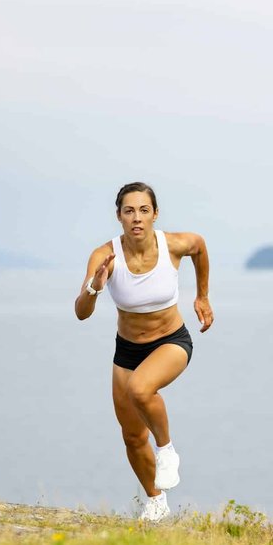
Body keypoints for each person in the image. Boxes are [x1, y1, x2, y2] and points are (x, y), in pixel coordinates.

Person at [74, 182, 214, 522]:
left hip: (171, 341)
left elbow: (200, 247)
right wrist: (95, 284)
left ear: (155, 214)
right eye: (129, 211)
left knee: (141, 388)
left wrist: (202, 296)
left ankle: (167, 451)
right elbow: (81, 312)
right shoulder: (104, 255)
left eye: (143, 210)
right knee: (133, 437)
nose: (137, 218)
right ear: (119, 216)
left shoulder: (174, 245)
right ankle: (155, 500)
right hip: (127, 350)